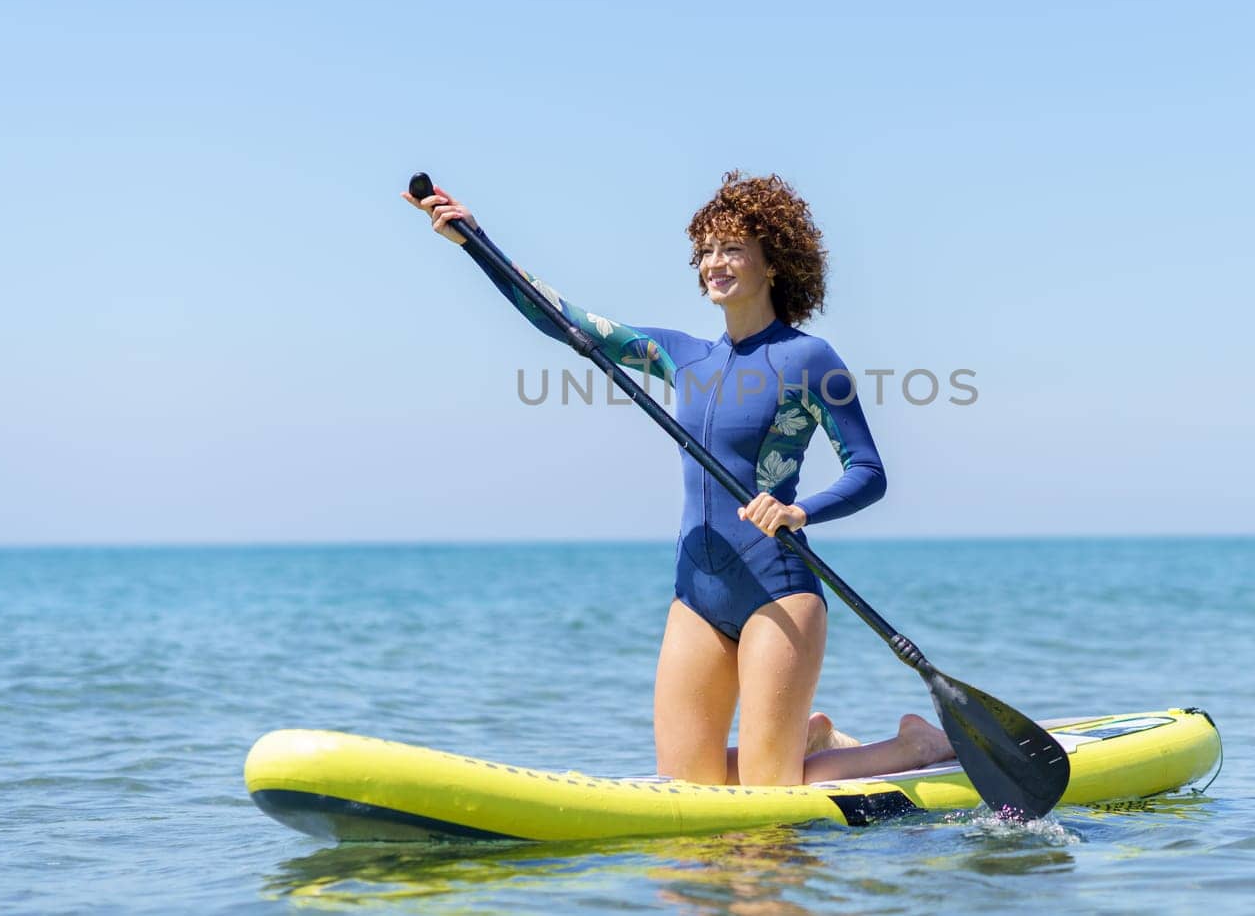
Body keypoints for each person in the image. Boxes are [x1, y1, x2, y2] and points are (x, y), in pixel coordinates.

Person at [405, 172, 954, 785]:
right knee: (687, 786)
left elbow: (869, 472)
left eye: (733, 248)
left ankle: (915, 747)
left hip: (778, 589)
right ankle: (808, 739)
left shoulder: (807, 359)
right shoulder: (681, 356)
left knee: (767, 798)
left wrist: (800, 511)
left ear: (773, 263)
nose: (714, 263)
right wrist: (477, 242)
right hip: (696, 590)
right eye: (706, 251)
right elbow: (561, 320)